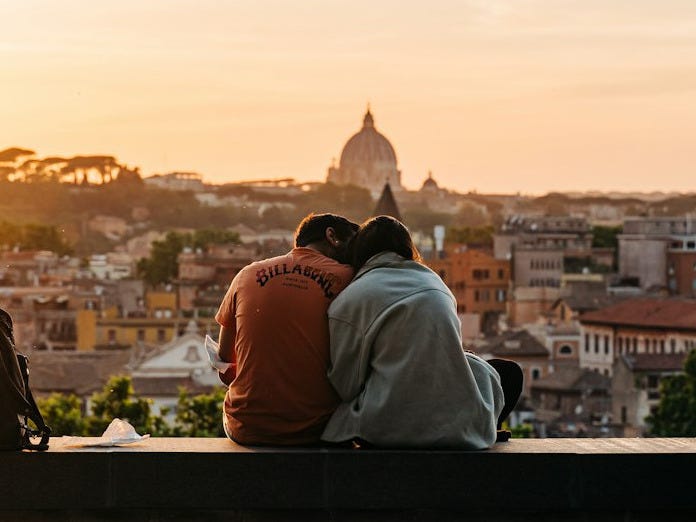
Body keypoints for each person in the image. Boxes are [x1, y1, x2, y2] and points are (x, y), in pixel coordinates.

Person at [321, 215, 521, 449]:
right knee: (505, 372)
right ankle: (482, 426)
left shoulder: (350, 299)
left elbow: (345, 385)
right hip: (458, 428)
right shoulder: (437, 284)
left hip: (385, 427)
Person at [215, 213, 359, 446]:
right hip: (318, 430)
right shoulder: (351, 278)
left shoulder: (247, 274)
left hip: (246, 426)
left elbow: (224, 358)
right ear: (331, 236)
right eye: (352, 243)